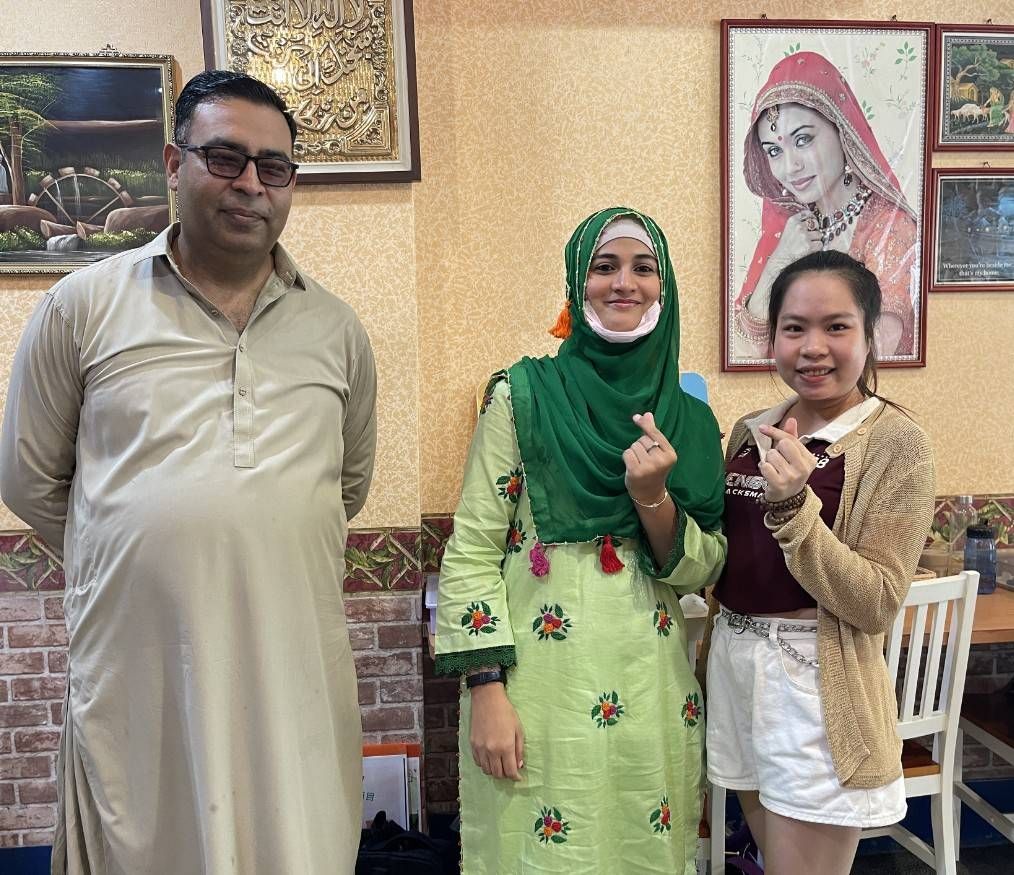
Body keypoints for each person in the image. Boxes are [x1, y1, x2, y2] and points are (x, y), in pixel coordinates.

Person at [0, 70, 377, 875]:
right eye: (226, 158)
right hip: (142, 680)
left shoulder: (336, 330)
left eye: (273, 167)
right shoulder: (82, 307)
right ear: (174, 163)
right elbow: (29, 478)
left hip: (291, 677)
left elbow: (344, 488)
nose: (251, 184)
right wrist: (138, 548)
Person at [434, 207, 727, 873]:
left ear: (665, 287)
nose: (624, 282)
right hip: (536, 694)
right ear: (577, 282)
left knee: (640, 852)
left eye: (643, 268)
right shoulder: (523, 396)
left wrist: (652, 499)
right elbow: (473, 547)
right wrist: (486, 690)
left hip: (650, 692)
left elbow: (704, 566)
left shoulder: (689, 420)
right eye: (604, 266)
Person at [704, 250, 935, 875]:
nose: (813, 348)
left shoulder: (895, 442)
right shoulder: (750, 429)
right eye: (794, 328)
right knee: (768, 860)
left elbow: (877, 600)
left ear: (870, 335)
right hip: (736, 665)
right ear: (772, 337)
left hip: (815, 681)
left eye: (836, 327)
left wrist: (793, 508)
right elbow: (729, 558)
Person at [733, 51, 919, 361]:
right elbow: (741, 353)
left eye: (803, 140)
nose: (790, 167)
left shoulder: (889, 228)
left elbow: (876, 355)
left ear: (842, 130)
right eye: (774, 151)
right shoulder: (790, 228)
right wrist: (780, 261)